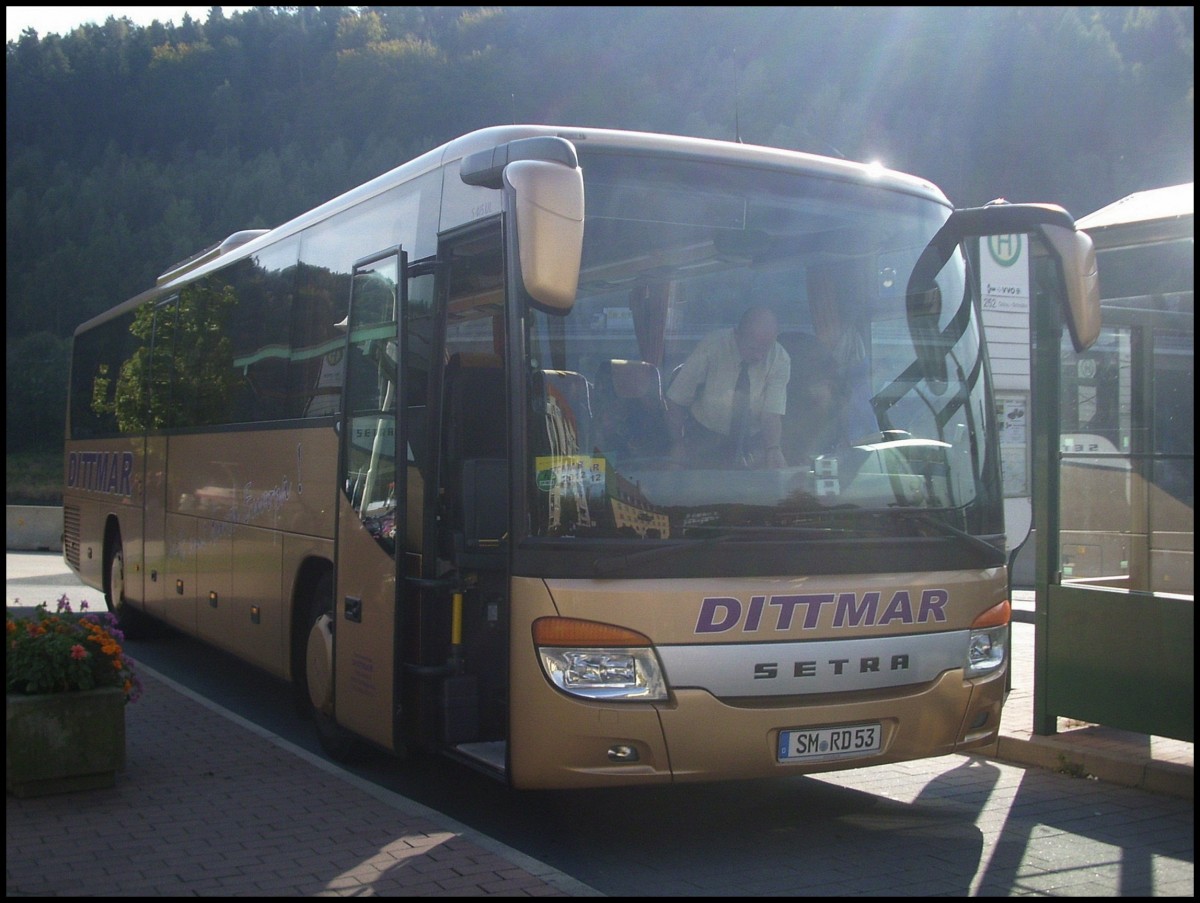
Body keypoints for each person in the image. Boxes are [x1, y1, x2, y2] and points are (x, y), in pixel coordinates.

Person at [666, 306, 791, 468]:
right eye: (752, 348)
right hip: (705, 437)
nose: (759, 356)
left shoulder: (780, 359)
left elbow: (772, 414)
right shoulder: (712, 347)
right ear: (737, 336)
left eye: (765, 349)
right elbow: (676, 398)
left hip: (753, 441)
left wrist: (773, 448)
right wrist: (678, 443)